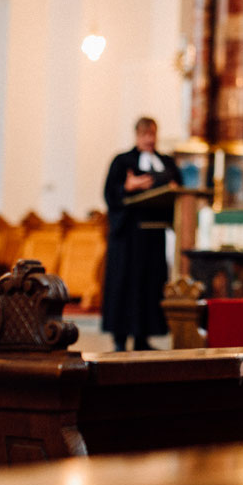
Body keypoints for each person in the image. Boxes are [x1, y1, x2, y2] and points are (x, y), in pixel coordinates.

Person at [101, 117, 182, 351]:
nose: (149, 138)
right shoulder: (122, 161)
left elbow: (176, 185)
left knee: (149, 286)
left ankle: (142, 337)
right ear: (136, 135)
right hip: (128, 237)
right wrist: (127, 188)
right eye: (145, 134)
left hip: (152, 237)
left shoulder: (165, 162)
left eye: (152, 134)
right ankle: (120, 338)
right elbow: (109, 193)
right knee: (125, 285)